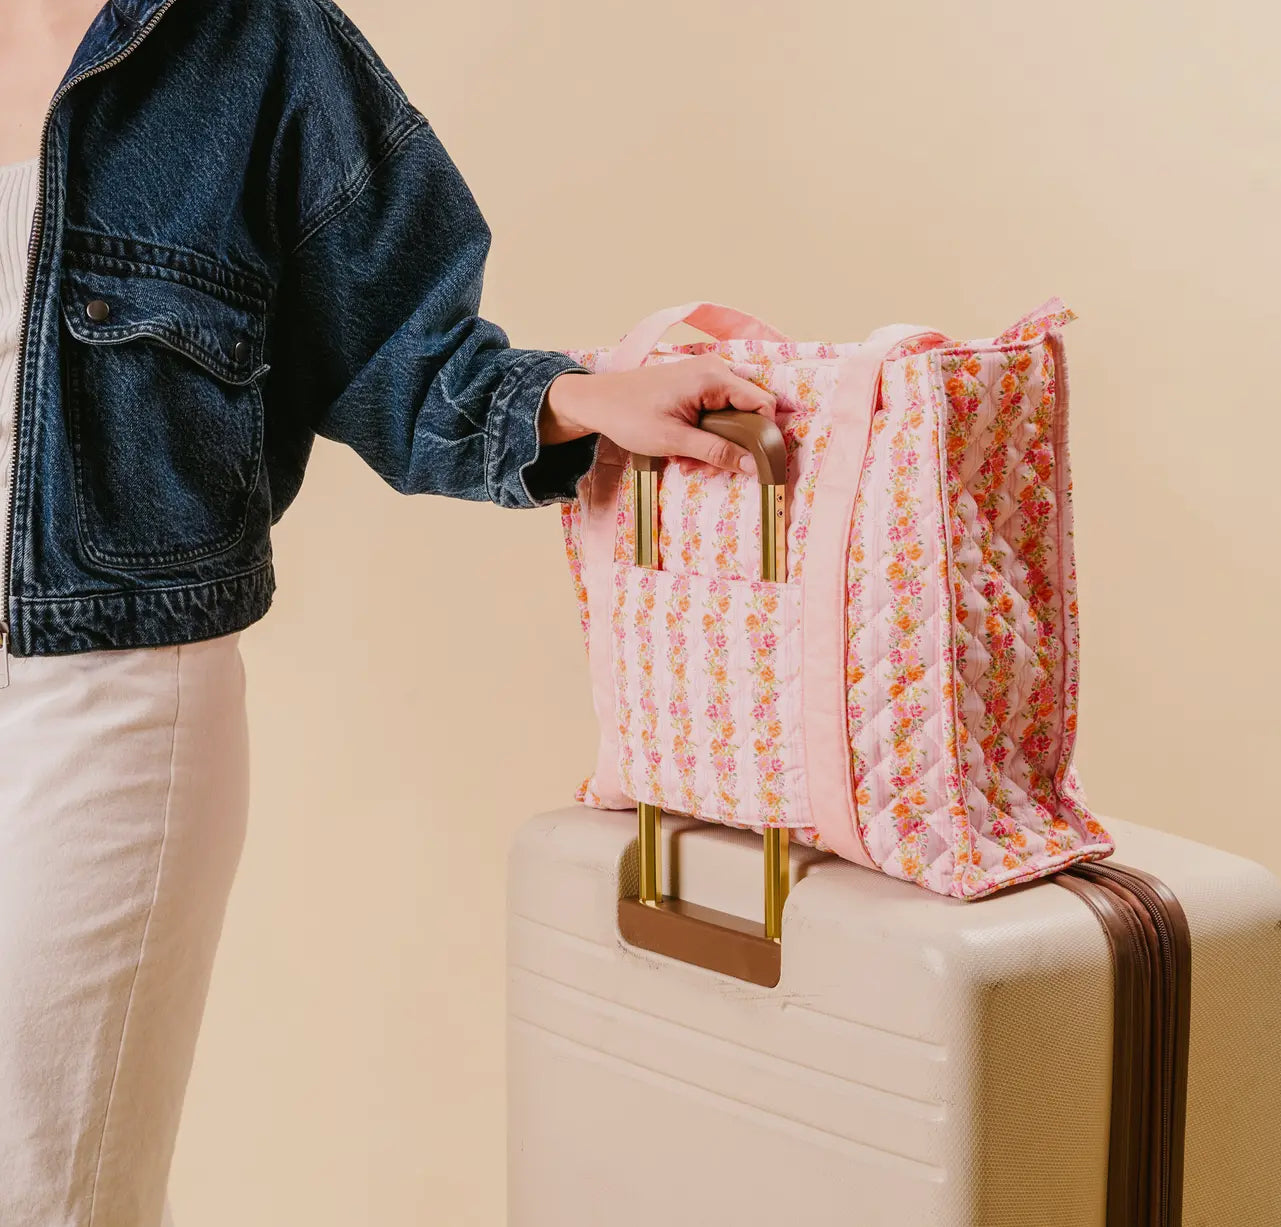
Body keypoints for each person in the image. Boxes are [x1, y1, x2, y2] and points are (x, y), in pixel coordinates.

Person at [0, 1, 776, 1223]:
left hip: (106, 694)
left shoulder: (258, 42)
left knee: (44, 1182)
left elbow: (400, 344)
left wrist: (574, 400)